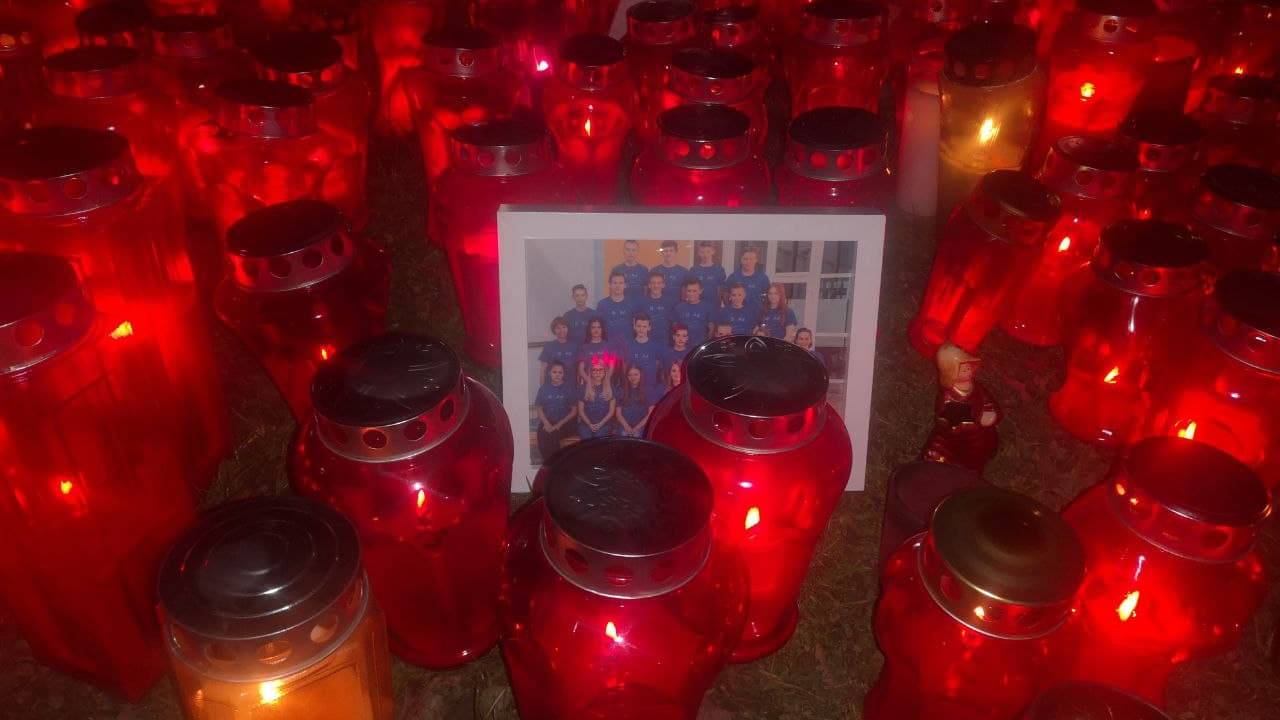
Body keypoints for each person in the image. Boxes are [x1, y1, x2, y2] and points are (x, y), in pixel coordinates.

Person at [922, 343, 1002, 473]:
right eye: (962, 369)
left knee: (984, 448)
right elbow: (952, 426)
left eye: (968, 367)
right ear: (951, 372)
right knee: (967, 462)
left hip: (981, 436)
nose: (968, 371)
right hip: (963, 442)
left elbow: (987, 399)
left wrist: (991, 411)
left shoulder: (974, 386)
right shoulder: (949, 399)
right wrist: (979, 419)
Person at [535, 361, 577, 461]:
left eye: (560, 372)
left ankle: (556, 463)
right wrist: (546, 423)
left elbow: (574, 411)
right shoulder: (543, 389)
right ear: (549, 373)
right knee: (542, 434)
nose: (557, 375)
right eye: (554, 372)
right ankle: (547, 463)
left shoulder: (569, 389)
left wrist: (559, 425)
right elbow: (539, 408)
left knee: (553, 436)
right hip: (548, 421)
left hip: (566, 423)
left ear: (564, 374)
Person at [625, 313, 664, 393]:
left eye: (644, 326)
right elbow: (625, 369)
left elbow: (661, 370)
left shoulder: (656, 347)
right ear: (634, 326)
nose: (641, 329)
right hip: (632, 391)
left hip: (650, 389)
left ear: (649, 327)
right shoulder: (627, 346)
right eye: (639, 326)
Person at [576, 317, 618, 391]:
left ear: (602, 329)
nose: (596, 330)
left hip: (606, 385)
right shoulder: (584, 347)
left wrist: (606, 381)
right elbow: (581, 369)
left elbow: (611, 367)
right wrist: (589, 382)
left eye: (599, 327)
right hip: (589, 386)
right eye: (593, 327)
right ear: (589, 330)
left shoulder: (609, 346)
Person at [671, 277, 716, 345]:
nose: (691, 294)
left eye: (694, 291)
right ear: (685, 291)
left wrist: (706, 344)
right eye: (689, 291)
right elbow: (674, 328)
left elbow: (711, 329)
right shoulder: (678, 307)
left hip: (700, 345)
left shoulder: (708, 307)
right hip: (683, 346)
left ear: (701, 291)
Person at [578, 362, 616, 439]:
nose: (597, 372)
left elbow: (611, 412)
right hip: (586, 424)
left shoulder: (611, 388)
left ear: (605, 372)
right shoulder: (583, 388)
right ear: (591, 372)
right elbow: (581, 411)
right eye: (594, 370)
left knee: (599, 438)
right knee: (586, 439)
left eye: (600, 369)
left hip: (604, 424)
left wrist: (600, 424)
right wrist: (589, 424)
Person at [615, 366, 654, 438]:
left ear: (641, 375)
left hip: (641, 425)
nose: (633, 377)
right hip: (624, 425)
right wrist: (627, 427)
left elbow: (650, 413)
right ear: (627, 377)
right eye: (630, 375)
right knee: (623, 435)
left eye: (636, 374)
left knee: (637, 436)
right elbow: (618, 414)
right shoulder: (621, 390)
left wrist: (636, 428)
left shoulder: (648, 390)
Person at [538, 317, 579, 385]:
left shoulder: (574, 346)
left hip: (570, 386)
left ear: (567, 328)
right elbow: (543, 369)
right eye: (558, 328)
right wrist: (542, 388)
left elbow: (578, 369)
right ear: (554, 330)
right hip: (552, 387)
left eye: (564, 327)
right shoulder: (548, 346)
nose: (561, 330)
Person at [637, 271, 673, 345]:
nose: (656, 286)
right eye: (653, 283)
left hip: (665, 341)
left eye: (659, 283)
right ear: (649, 285)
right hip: (646, 341)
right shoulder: (641, 302)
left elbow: (673, 324)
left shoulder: (670, 302)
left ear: (663, 285)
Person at [597, 271, 635, 342]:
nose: (618, 286)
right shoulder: (602, 304)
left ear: (625, 285)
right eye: (615, 283)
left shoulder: (632, 304)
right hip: (608, 344)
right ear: (610, 285)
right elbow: (598, 327)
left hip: (627, 344)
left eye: (621, 283)